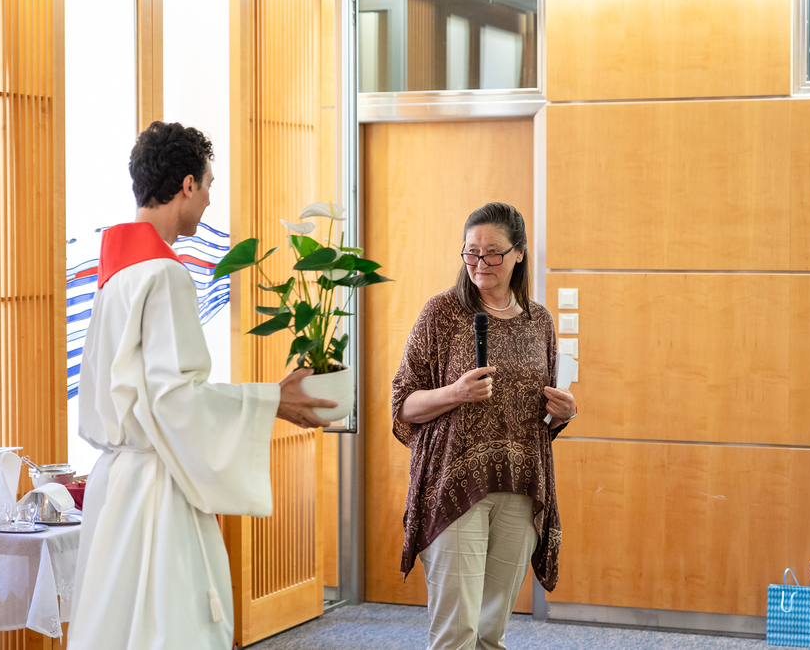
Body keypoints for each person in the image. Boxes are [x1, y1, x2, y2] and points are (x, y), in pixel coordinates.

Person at [68, 121, 336, 650]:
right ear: (187, 185)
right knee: (172, 627)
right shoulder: (164, 273)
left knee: (116, 628)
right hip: (155, 488)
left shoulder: (116, 269)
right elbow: (177, 400)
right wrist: (271, 399)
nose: (211, 200)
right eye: (209, 185)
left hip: (115, 485)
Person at [392, 202, 576, 650]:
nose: (479, 262)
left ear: (519, 253)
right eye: (471, 251)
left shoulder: (539, 322)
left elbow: (539, 414)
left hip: (520, 485)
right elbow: (403, 404)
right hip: (454, 486)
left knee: (491, 633)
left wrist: (562, 412)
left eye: (492, 252)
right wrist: (455, 393)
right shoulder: (441, 313)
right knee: (456, 632)